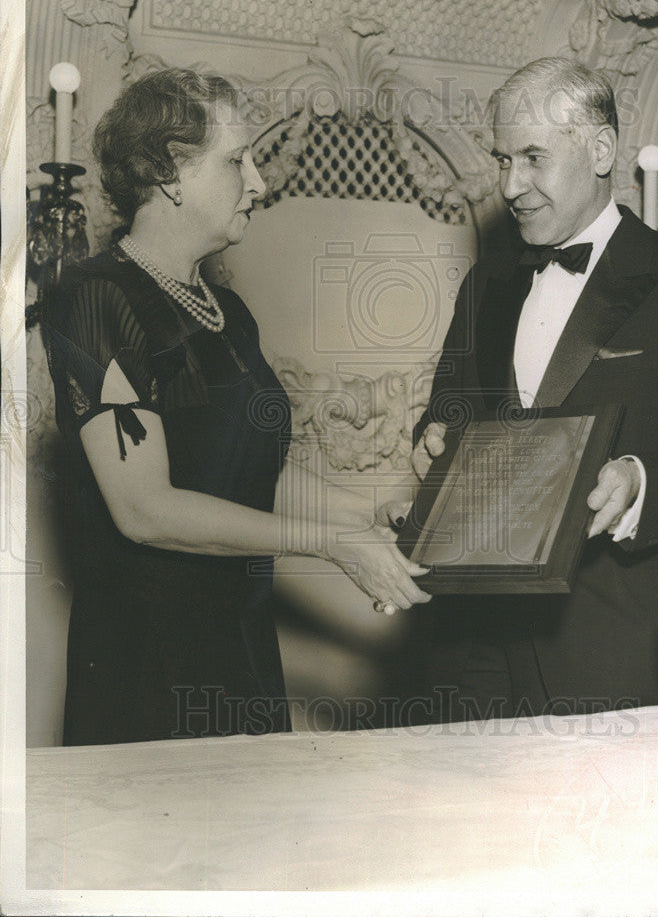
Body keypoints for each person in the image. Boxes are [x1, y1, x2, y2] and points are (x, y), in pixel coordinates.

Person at [43, 68, 429, 746]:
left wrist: (372, 513)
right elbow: (146, 510)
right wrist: (330, 542)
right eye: (236, 160)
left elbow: (254, 475)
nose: (258, 180)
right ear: (169, 173)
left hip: (242, 650)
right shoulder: (96, 298)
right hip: (147, 668)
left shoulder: (230, 314)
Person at [410, 57, 658, 720]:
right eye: (502, 160)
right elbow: (449, 412)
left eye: (532, 158)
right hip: (471, 649)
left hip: (611, 648)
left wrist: (637, 481)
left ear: (599, 150)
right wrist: (430, 443)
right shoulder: (485, 287)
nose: (510, 186)